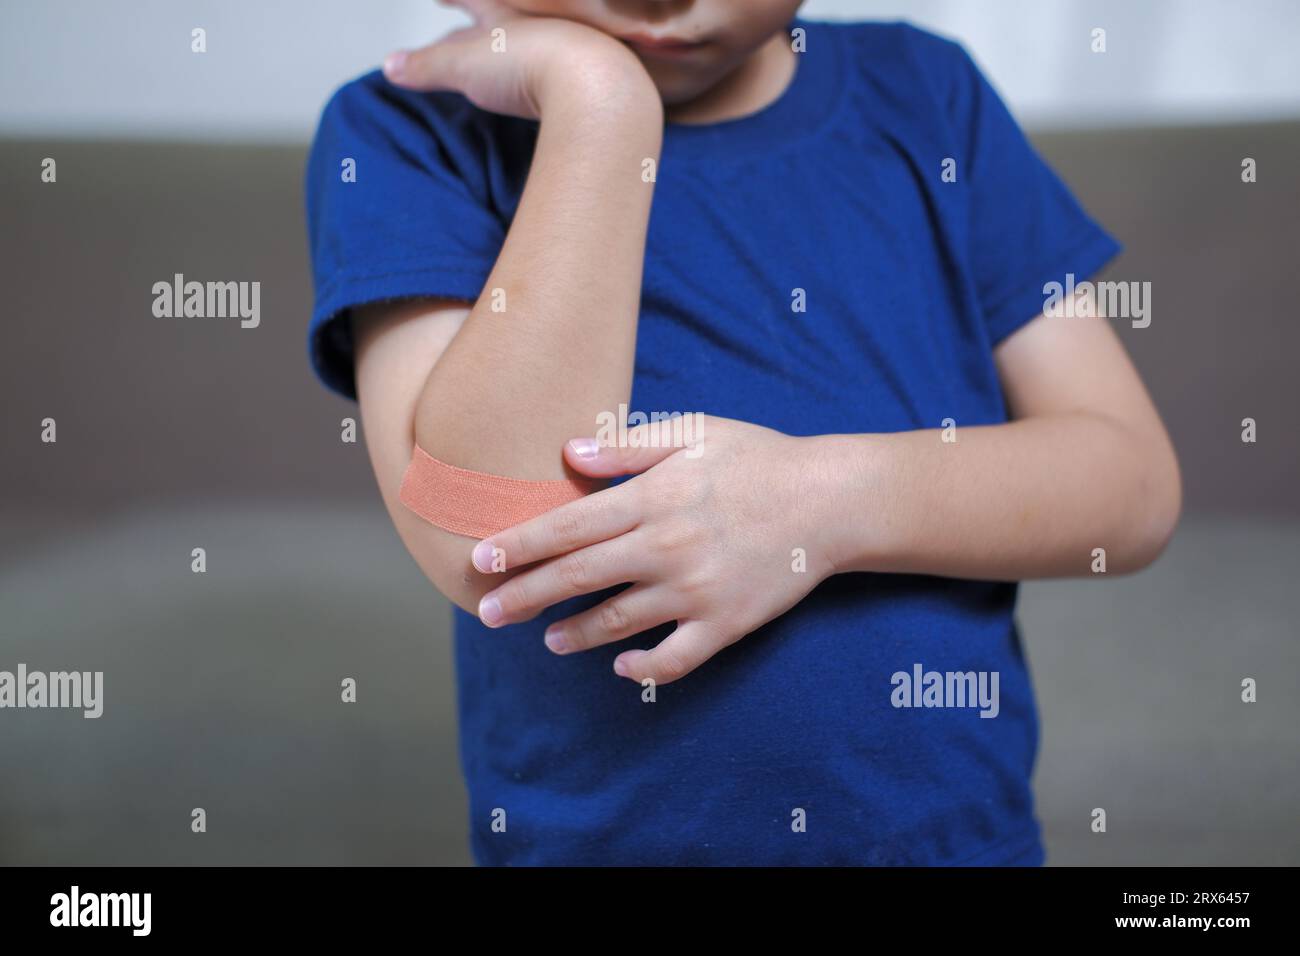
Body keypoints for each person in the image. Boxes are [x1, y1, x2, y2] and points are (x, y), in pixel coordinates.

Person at [304, 0, 1181, 865]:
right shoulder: (405, 133)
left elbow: (1130, 486)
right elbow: (487, 539)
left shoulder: (928, 91)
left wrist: (822, 503)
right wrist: (599, 106)